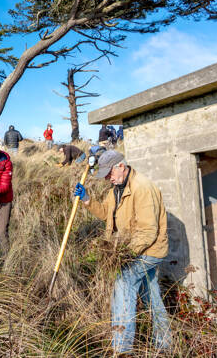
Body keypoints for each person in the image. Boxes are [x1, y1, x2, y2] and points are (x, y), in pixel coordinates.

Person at [74, 150, 171, 353]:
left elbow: (148, 232)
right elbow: (106, 214)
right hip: (134, 249)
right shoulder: (116, 189)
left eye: (109, 173)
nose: (108, 178)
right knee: (151, 294)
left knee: (123, 283)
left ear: (121, 166)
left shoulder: (142, 188)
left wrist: (123, 255)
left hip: (148, 249)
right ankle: (165, 344)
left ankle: (122, 349)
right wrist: (87, 200)